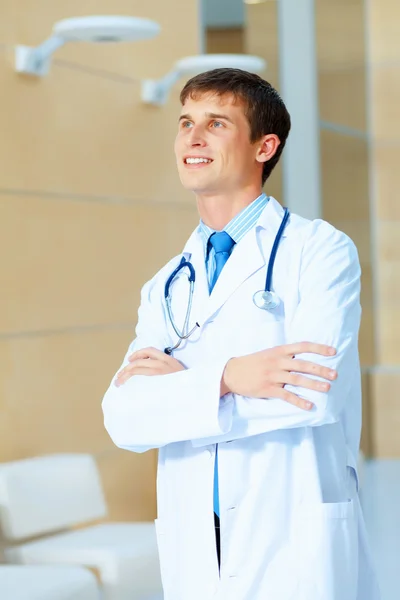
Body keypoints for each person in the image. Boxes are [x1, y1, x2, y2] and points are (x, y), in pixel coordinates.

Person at [102, 68, 380, 600]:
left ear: (264, 146)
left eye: (216, 123)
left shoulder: (319, 251)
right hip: (195, 540)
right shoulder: (165, 284)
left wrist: (181, 392)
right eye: (185, 122)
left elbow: (310, 394)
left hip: (291, 529)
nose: (193, 137)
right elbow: (123, 418)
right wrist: (230, 377)